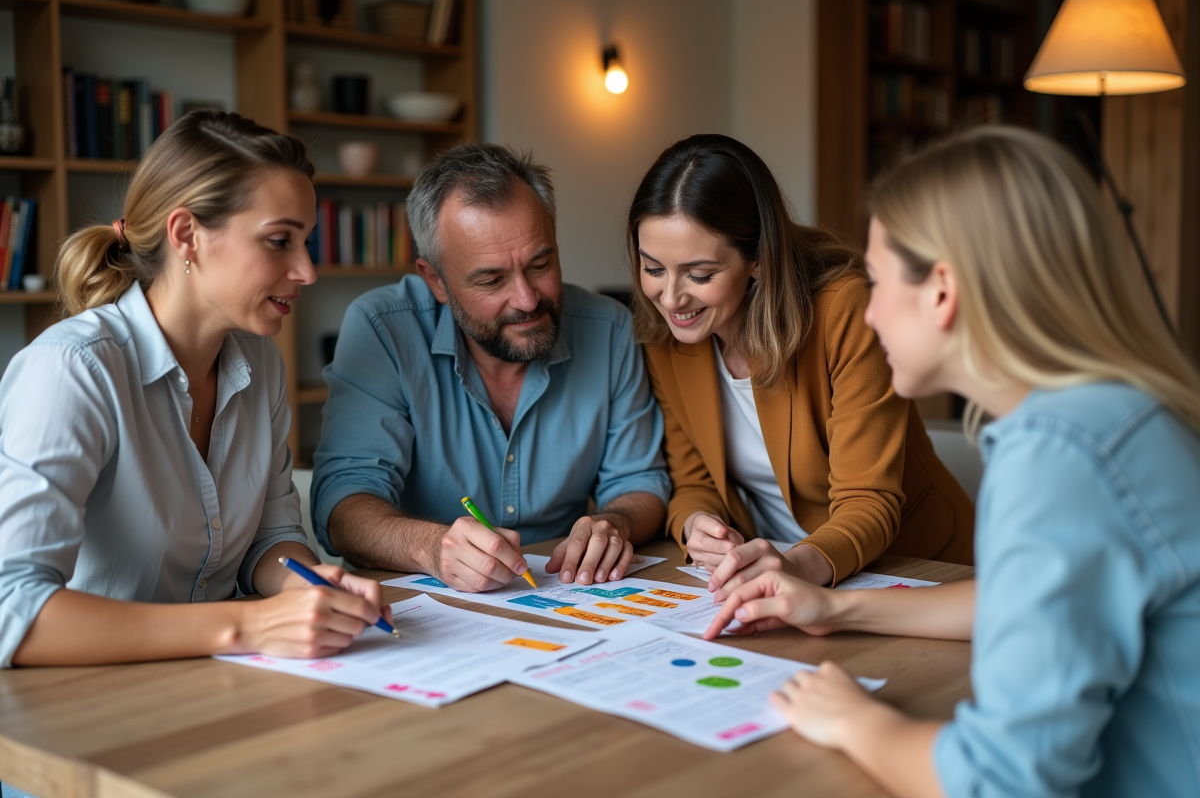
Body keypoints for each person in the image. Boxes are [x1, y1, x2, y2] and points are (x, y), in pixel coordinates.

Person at [706, 126, 1200, 798]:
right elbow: (1012, 602)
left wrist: (856, 721)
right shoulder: (1107, 416)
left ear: (942, 290)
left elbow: (1000, 782)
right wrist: (836, 609)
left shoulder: (1059, 457)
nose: (870, 315)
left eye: (877, 283)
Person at [0, 111, 389, 670]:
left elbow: (270, 539)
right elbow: (14, 608)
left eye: (306, 242)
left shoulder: (261, 364)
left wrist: (306, 586)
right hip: (86, 701)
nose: (306, 269)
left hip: (218, 687)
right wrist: (249, 625)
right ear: (186, 235)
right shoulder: (72, 369)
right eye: (279, 241)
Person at [311, 142, 670, 592]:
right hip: (433, 607)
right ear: (436, 280)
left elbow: (640, 480)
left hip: (567, 595)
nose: (526, 299)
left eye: (541, 264)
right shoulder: (383, 329)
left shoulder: (609, 328)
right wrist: (432, 547)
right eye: (491, 280)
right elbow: (342, 504)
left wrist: (613, 523)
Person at [628, 134, 973, 597]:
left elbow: (866, 502)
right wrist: (698, 525)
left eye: (700, 274)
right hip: (781, 575)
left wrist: (793, 568)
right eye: (652, 269)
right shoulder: (666, 335)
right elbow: (693, 481)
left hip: (918, 571)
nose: (670, 298)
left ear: (758, 261)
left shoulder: (843, 311)